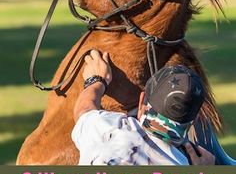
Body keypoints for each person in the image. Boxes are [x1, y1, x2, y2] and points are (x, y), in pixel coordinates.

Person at [72, 50, 215, 165]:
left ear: (142, 101)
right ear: (193, 120)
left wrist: (96, 80)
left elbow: (84, 110)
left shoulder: (112, 129)